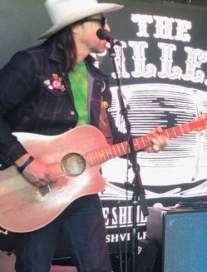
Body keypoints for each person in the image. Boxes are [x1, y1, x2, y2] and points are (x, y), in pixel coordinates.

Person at [0, 0, 169, 271]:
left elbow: (108, 137)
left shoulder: (98, 79)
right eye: (102, 22)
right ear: (77, 27)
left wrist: (145, 143)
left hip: (82, 190)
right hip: (33, 190)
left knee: (98, 267)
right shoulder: (32, 64)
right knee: (34, 266)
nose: (108, 28)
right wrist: (25, 162)